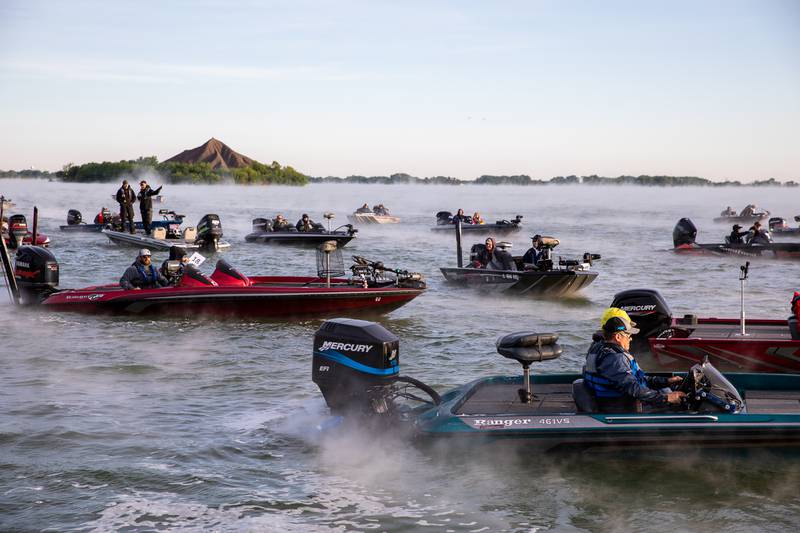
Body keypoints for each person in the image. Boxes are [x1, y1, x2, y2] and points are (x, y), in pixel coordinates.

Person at [582, 308, 685, 413]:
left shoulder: (598, 348)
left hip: (614, 399)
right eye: (628, 335)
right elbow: (633, 388)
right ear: (618, 337)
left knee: (666, 390)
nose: (631, 339)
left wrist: (666, 381)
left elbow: (636, 379)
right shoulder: (615, 358)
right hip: (621, 407)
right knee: (676, 403)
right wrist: (665, 398)